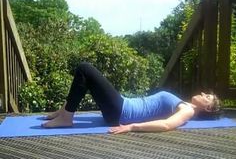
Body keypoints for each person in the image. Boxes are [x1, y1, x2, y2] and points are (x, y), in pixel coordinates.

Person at [42, 62, 220, 134]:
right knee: (85, 75)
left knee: (85, 69)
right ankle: (64, 112)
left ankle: (66, 117)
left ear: (208, 108)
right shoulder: (186, 103)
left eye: (208, 97)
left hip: (122, 112)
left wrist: (131, 127)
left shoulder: (187, 110)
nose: (204, 94)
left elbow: (167, 125)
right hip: (122, 106)